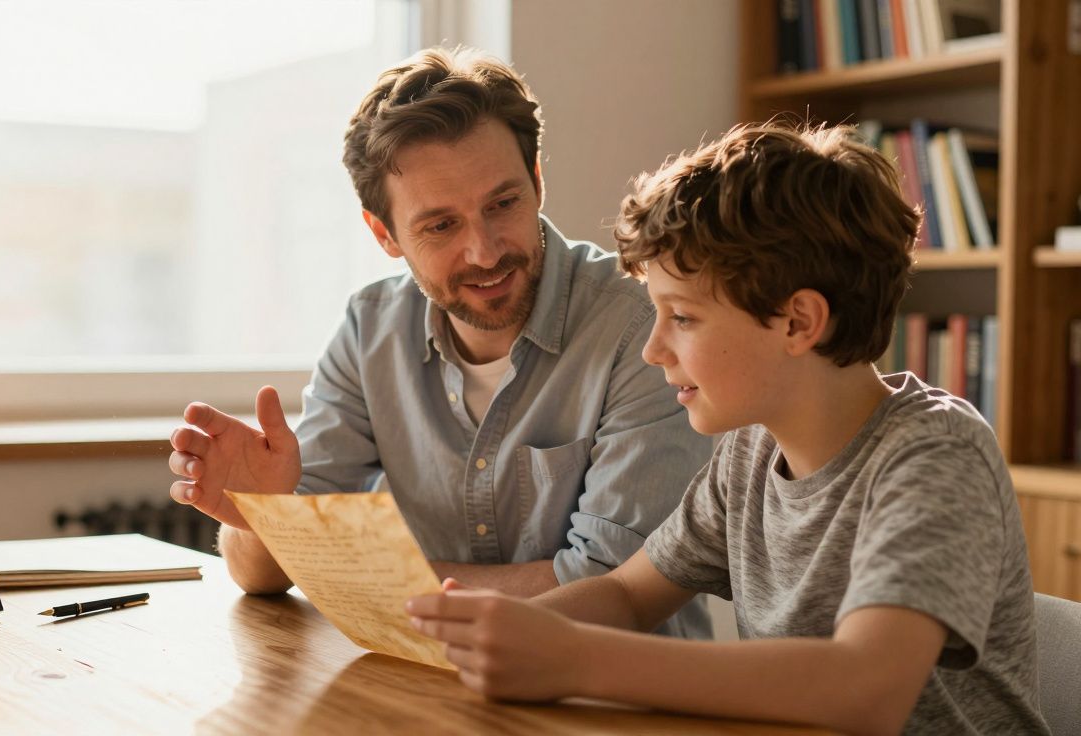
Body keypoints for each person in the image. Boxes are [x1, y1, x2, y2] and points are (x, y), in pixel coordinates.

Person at [405, 122, 1050, 734]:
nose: (652, 349)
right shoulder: (749, 453)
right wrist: (494, 639)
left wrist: (575, 658)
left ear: (798, 323)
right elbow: (629, 596)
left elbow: (868, 688)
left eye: (681, 317)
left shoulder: (934, 455)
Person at [168, 47, 711, 636]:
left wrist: (363, 573)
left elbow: (605, 586)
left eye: (503, 204)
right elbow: (266, 576)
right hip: (428, 691)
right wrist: (261, 515)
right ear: (384, 234)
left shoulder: (643, 327)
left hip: (612, 705)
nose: (485, 251)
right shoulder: (369, 331)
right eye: (441, 225)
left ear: (537, 182)